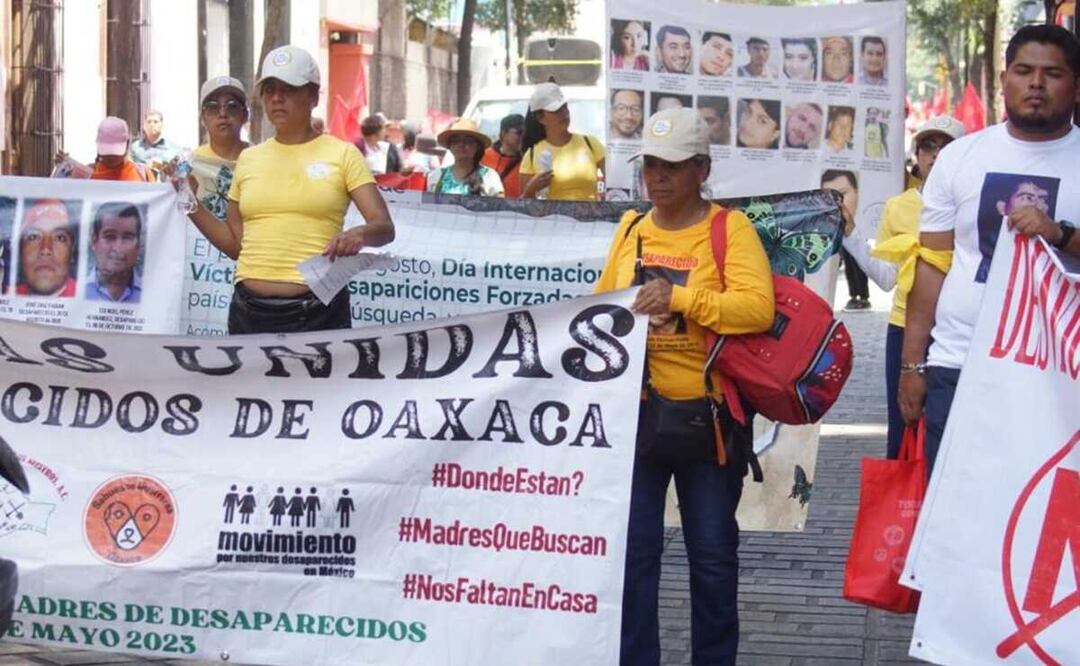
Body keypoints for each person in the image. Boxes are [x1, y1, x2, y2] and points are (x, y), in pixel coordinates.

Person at [595, 107, 774, 666]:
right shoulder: (630, 228)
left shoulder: (729, 229)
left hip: (710, 422)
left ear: (702, 168)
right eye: (650, 164)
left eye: (671, 166)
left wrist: (679, 299)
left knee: (714, 561)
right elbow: (602, 306)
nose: (658, 177)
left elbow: (757, 309)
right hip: (639, 419)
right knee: (632, 559)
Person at [899, 25, 1080, 474]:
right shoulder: (959, 158)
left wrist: (1059, 234)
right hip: (959, 364)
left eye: (1052, 73)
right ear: (1003, 80)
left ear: (1076, 85)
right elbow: (932, 266)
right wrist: (913, 365)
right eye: (1023, 71)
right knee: (954, 522)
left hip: (1061, 375)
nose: (1036, 83)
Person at [180, 44, 395, 334]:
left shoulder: (343, 154)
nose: (277, 98)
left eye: (289, 88)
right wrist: (190, 201)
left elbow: (383, 226)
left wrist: (359, 234)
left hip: (318, 314)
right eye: (269, 90)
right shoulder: (249, 158)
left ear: (313, 96)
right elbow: (235, 245)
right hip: (248, 313)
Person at [858, 117, 965, 458]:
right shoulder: (898, 206)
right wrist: (848, 235)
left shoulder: (975, 204)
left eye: (946, 146)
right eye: (928, 146)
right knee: (904, 427)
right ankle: (902, 511)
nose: (936, 154)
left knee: (954, 432)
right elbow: (887, 277)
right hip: (904, 329)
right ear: (916, 156)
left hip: (960, 332)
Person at [519, 82, 606, 201]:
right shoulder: (531, 155)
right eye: (556, 110)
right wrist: (531, 189)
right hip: (551, 220)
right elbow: (525, 205)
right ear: (540, 118)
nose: (564, 113)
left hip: (590, 219)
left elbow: (615, 183)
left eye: (564, 107)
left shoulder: (591, 143)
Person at [189, 76, 251, 221]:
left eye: (232, 106)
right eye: (213, 107)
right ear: (202, 118)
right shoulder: (189, 166)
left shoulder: (259, 161)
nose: (223, 114)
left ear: (245, 115)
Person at [821, 169, 869, 310]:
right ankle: (854, 295)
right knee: (849, 264)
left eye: (842, 194)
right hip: (841, 232)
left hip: (857, 231)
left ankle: (863, 296)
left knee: (859, 262)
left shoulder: (860, 216)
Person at [426, 118, 505, 197]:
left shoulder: (489, 176)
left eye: (467, 141)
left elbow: (500, 205)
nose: (461, 145)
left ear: (477, 146)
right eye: (456, 141)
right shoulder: (437, 176)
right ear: (450, 146)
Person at [16, 199, 77, 298]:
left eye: (59, 238)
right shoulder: (6, 296)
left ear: (72, 253)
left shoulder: (93, 302)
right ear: (20, 251)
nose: (45, 249)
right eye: (33, 236)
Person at [86, 202, 143, 303]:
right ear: (94, 241)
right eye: (110, 236)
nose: (118, 248)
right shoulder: (78, 290)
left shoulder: (152, 293)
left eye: (127, 238)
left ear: (138, 245)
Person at [130, 110, 179, 179]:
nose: (152, 125)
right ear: (144, 126)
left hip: (163, 187)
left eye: (155, 122)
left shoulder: (173, 148)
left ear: (162, 125)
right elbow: (129, 168)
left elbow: (179, 172)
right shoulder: (135, 147)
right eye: (149, 122)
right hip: (140, 186)